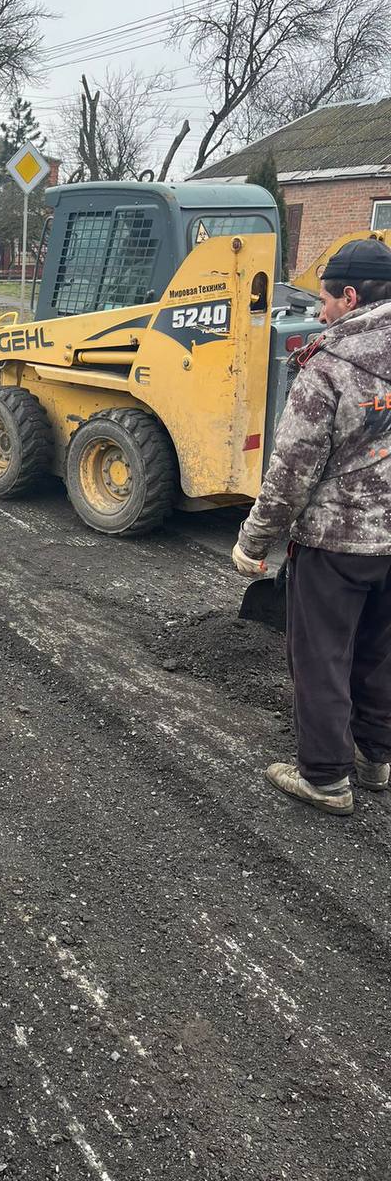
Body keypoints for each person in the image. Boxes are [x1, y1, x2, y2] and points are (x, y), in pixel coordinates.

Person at [232, 238, 391, 815]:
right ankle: (375, 758)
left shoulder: (328, 366)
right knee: (380, 649)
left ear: (350, 297)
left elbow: (292, 471)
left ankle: (325, 777)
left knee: (322, 655)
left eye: (324, 300)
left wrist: (253, 541)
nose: (319, 311)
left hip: (336, 542)